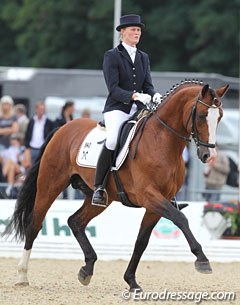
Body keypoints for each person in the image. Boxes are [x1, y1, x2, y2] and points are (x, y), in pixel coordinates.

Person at [92, 14, 162, 207]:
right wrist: (133, 96)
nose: (137, 33)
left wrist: (154, 95)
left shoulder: (143, 57)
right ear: (122, 32)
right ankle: (99, 187)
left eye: (139, 30)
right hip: (117, 107)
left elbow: (147, 85)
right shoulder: (112, 56)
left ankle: (163, 188)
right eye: (133, 29)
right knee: (114, 139)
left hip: (139, 108)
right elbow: (113, 88)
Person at [24, 101, 54, 167]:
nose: (41, 111)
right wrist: (27, 148)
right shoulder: (32, 121)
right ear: (36, 109)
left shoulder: (49, 122)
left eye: (43, 109)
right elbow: (27, 135)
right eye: (40, 109)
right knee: (30, 168)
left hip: (43, 149)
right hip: (32, 149)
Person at [0, 133, 26, 197]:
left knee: (10, 162)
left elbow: (26, 164)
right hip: (10, 170)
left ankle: (2, 176)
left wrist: (19, 157)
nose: (14, 141)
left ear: (19, 141)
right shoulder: (8, 150)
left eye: (16, 139)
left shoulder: (23, 149)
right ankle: (10, 188)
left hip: (21, 170)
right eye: (12, 139)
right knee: (11, 166)